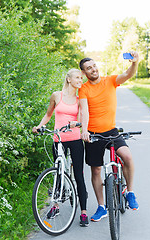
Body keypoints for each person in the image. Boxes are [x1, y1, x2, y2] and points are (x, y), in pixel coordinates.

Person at [78, 51, 140, 222]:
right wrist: (84, 130)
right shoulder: (83, 89)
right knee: (96, 169)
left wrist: (135, 62)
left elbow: (128, 74)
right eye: (88, 68)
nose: (93, 70)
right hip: (93, 134)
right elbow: (84, 110)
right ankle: (101, 206)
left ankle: (130, 192)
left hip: (111, 131)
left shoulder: (110, 80)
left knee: (127, 156)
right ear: (84, 73)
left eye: (94, 66)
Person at [32, 69, 89, 227]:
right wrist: (39, 126)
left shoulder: (79, 99)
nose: (80, 80)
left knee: (78, 175)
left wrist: (76, 123)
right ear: (69, 79)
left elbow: (82, 119)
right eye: (77, 77)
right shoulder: (57, 95)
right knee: (58, 171)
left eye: (81, 78)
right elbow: (48, 114)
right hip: (58, 139)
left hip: (75, 140)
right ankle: (55, 206)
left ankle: (83, 212)